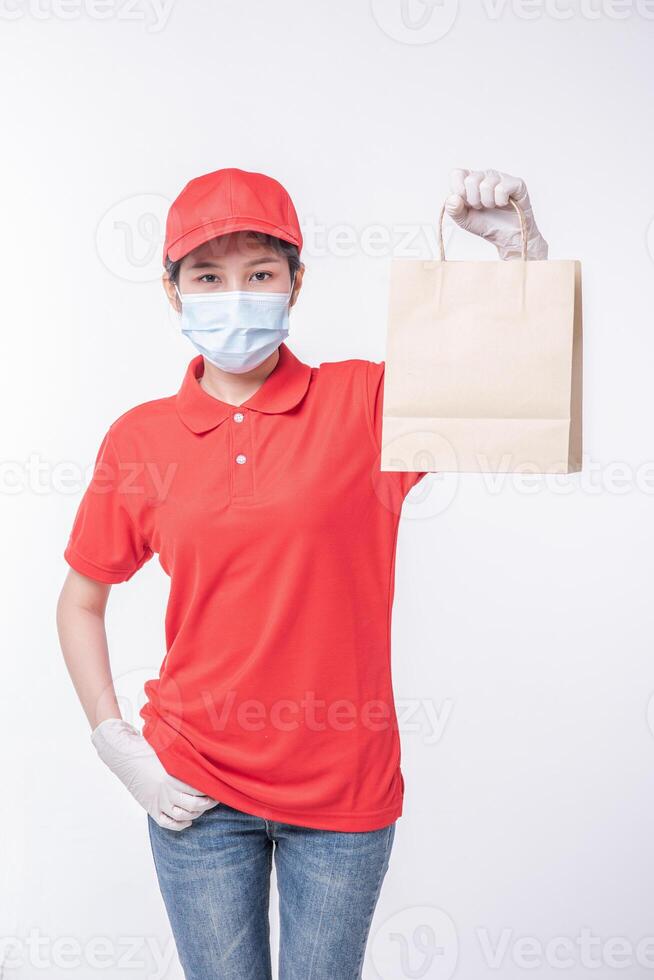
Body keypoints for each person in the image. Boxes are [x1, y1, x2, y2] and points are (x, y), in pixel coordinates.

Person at [56, 166, 547, 979]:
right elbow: (81, 600)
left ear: (295, 283)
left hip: (343, 795)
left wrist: (519, 260)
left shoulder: (364, 406)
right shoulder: (139, 441)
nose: (235, 295)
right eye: (208, 276)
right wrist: (116, 742)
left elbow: (511, 391)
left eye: (260, 273)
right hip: (196, 790)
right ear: (173, 293)